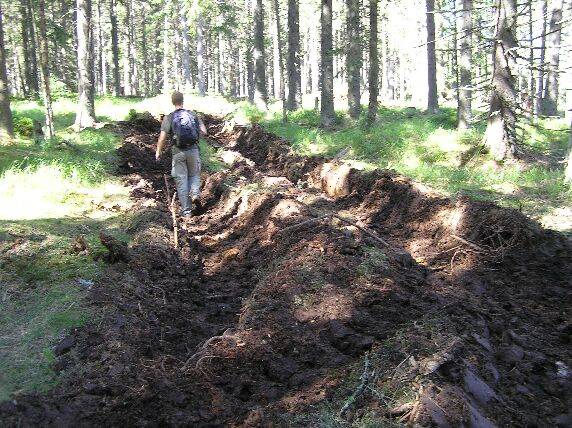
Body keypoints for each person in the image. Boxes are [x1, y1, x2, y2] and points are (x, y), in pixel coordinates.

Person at [156, 92, 208, 216]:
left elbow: (162, 138)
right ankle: (195, 194)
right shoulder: (193, 114)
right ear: (183, 100)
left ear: (172, 102)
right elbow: (204, 131)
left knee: (181, 180)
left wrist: (158, 152)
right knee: (194, 174)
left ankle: (186, 211)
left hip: (178, 152)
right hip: (193, 150)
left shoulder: (169, 117)